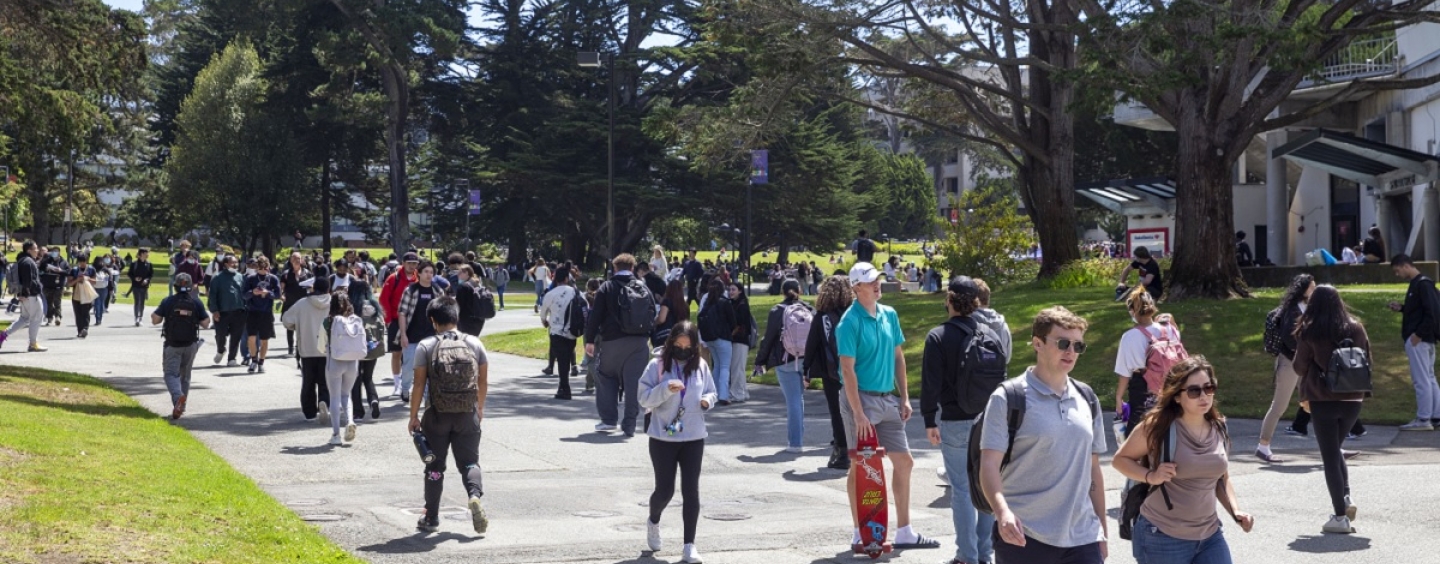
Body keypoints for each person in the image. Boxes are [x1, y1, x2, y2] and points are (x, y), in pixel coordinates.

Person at [979, 306, 1108, 564]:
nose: (1071, 352)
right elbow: (989, 464)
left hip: (1083, 536)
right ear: (1038, 343)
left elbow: (1093, 470)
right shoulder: (1008, 397)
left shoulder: (1087, 398)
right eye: (1062, 343)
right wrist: (1001, 511)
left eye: (1078, 346)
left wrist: (1101, 529)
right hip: (1024, 535)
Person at [836, 262, 938, 549]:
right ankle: (860, 531)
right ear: (856, 288)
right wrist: (857, 412)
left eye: (878, 279)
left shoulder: (889, 314)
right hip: (861, 400)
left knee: (904, 461)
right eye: (870, 281)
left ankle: (904, 530)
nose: (877, 284)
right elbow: (847, 371)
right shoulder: (849, 322)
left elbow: (898, 357)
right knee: (861, 465)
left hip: (887, 399)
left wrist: (904, 396)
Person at [1112, 356, 1253, 563]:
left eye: (1209, 388)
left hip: (1209, 534)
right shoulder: (1157, 426)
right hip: (1161, 535)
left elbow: (1221, 479)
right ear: (1177, 396)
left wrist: (1235, 510)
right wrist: (1151, 476)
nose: (1204, 396)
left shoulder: (1219, 427)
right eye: (1194, 391)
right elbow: (1120, 460)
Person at [922, 276, 1004, 564]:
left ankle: (966, 556)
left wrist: (929, 420)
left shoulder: (938, 336)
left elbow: (930, 384)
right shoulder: (990, 335)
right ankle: (984, 554)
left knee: (961, 490)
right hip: (990, 422)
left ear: (949, 300)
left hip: (955, 420)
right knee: (986, 487)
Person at [408, 295, 490, 536]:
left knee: (434, 466)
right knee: (470, 463)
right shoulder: (474, 343)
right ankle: (474, 496)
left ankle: (431, 517)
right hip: (467, 413)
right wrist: (479, 408)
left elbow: (419, 383)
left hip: (437, 415)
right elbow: (483, 380)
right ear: (456, 316)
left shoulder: (426, 345)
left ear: (433, 320)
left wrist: (414, 416)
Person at [638, 321, 716, 563]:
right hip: (663, 437)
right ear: (671, 343)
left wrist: (706, 401)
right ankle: (653, 519)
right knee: (665, 490)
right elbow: (643, 399)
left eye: (688, 346)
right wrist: (665, 389)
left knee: (691, 490)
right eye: (678, 345)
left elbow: (712, 391)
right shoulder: (657, 365)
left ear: (694, 347)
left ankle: (689, 545)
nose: (683, 350)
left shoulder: (700, 365)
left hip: (693, 436)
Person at [1292, 285, 1367, 533]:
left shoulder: (1311, 330)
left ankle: (1339, 516)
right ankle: (1345, 498)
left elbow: (1299, 367)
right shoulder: (1356, 326)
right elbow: (1368, 359)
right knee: (1335, 449)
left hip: (1323, 398)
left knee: (1330, 455)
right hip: (1353, 398)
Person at [584, 253, 657, 437]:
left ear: (615, 268)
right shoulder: (643, 287)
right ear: (632, 268)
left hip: (612, 341)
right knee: (634, 383)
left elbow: (595, 315)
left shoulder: (607, 287)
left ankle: (609, 420)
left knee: (606, 376)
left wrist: (590, 340)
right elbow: (652, 313)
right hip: (640, 342)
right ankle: (630, 424)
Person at [1256, 274, 1313, 462]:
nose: (1315, 289)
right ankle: (1263, 446)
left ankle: (1334, 447)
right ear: (1303, 289)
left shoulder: (1308, 307)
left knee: (1316, 403)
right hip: (1290, 363)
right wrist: (1304, 350)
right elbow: (1290, 338)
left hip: (1303, 362)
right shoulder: (1292, 310)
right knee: (1279, 406)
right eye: (1312, 286)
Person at [1114, 285, 1182, 434]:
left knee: (1139, 429)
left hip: (1143, 386)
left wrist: (1119, 397)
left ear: (1132, 311)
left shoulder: (1130, 337)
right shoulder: (1169, 329)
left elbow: (1125, 372)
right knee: (1167, 425)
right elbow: (1177, 341)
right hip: (1170, 383)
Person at [755, 279, 812, 451]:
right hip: (805, 360)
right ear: (799, 290)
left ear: (782, 292)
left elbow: (769, 338)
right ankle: (798, 438)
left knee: (793, 400)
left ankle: (795, 443)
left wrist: (760, 360)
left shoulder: (777, 311)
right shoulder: (809, 309)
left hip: (785, 360)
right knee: (799, 399)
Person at [804, 275, 853, 470]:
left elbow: (812, 345)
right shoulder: (854, 314)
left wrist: (806, 370)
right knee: (856, 410)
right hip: (857, 370)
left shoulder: (822, 316)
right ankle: (858, 447)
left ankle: (842, 451)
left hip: (831, 371)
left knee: (837, 412)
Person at [151, 273, 211, 420]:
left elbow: (155, 320)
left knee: (171, 374)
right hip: (190, 345)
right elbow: (206, 323)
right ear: (191, 287)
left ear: (175, 286)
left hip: (172, 345)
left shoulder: (168, 301)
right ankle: (181, 407)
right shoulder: (196, 302)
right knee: (185, 377)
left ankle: (178, 398)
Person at [1390, 254, 1440, 431]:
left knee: (1421, 379)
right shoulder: (1421, 284)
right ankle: (1435, 415)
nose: (1397, 274)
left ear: (1405, 266)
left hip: (1419, 339)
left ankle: (1423, 418)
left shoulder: (1422, 284)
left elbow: (1432, 313)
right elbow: (1423, 310)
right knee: (1429, 377)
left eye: (1397, 270)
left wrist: (1418, 334)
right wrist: (1403, 308)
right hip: (1425, 338)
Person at [282, 276, 334, 422]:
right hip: (327, 349)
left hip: (307, 349)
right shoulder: (333, 303)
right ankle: (324, 402)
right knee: (326, 381)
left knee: (308, 382)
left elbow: (286, 320)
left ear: (313, 287)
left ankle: (309, 412)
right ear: (328, 289)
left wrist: (297, 325)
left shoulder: (302, 304)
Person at [398, 260, 448, 405]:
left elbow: (443, 313)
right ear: (418, 273)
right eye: (425, 272)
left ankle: (427, 397)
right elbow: (402, 313)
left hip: (432, 337)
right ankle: (405, 388)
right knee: (408, 366)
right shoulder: (411, 290)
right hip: (412, 335)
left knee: (428, 369)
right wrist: (403, 334)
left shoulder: (438, 291)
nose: (428, 275)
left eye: (431, 272)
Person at [324, 292, 364, 446]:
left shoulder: (328, 321)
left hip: (334, 360)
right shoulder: (355, 320)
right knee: (346, 394)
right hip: (353, 361)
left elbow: (321, 344)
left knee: (334, 396)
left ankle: (335, 434)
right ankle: (350, 420)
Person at [380, 253, 421, 398]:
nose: (412, 266)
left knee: (414, 354)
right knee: (397, 353)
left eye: (415, 263)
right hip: (396, 320)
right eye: (409, 263)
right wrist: (389, 320)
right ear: (403, 263)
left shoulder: (420, 279)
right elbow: (383, 300)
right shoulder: (393, 278)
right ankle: (397, 384)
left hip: (415, 322)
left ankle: (408, 383)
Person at [540, 266, 580, 400]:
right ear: (567, 279)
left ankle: (565, 389)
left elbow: (543, 313)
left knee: (562, 360)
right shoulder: (574, 292)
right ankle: (562, 387)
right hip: (572, 330)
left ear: (554, 279)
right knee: (566, 359)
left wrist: (545, 322)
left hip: (557, 331)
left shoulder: (550, 294)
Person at [0, 242, 47, 352]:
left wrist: (22, 294)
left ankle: (3, 334)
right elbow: (28, 280)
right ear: (29, 250)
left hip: (25, 295)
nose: (37, 251)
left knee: (24, 318)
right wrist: (25, 293)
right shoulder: (28, 262)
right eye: (35, 249)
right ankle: (33, 344)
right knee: (36, 318)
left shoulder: (22, 260)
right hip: (31, 295)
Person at [696, 279, 737, 405]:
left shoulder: (707, 303)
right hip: (723, 338)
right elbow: (733, 322)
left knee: (717, 366)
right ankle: (723, 395)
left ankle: (714, 393)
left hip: (709, 339)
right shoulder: (725, 302)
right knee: (725, 366)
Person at [351, 283, 386, 421]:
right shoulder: (375, 308)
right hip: (373, 347)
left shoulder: (353, 308)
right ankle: (373, 400)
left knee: (356, 379)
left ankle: (358, 411)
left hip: (356, 348)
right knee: (368, 377)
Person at [242, 257, 280, 373]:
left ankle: (261, 362)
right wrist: (253, 292)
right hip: (252, 311)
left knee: (264, 339)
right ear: (257, 267)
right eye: (261, 267)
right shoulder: (250, 278)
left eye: (265, 267)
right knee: (251, 338)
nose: (263, 270)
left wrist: (268, 293)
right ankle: (253, 360)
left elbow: (278, 294)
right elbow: (243, 295)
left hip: (266, 312)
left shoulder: (273, 278)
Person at [208, 255, 247, 367]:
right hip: (222, 312)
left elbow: (245, 293)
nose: (235, 265)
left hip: (239, 312)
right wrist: (214, 310)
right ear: (225, 264)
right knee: (220, 334)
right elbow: (212, 296)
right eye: (232, 263)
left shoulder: (241, 277)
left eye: (236, 263)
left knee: (236, 336)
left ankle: (232, 359)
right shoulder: (217, 278)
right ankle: (221, 349)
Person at [279, 251, 312, 358]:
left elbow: (313, 287)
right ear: (290, 260)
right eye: (293, 258)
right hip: (290, 304)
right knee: (290, 327)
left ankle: (300, 348)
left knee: (302, 327)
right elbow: (281, 288)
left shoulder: (308, 273)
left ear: (301, 260)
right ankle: (290, 349)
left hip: (304, 304)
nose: (296, 260)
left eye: (298, 258)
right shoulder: (286, 274)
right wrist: (281, 296)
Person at [726, 282, 754, 404]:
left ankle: (736, 393)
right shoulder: (735, 304)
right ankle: (742, 391)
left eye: (733, 289)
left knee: (736, 368)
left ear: (740, 291)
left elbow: (742, 325)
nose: (731, 292)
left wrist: (731, 334)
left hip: (740, 340)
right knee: (739, 367)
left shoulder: (741, 306)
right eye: (730, 289)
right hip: (739, 340)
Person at [454, 265, 493, 337]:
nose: (458, 275)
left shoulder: (463, 287)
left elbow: (459, 305)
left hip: (466, 320)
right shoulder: (478, 285)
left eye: (460, 273)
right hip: (479, 319)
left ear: (467, 273)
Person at [67, 255, 97, 339]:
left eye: (83, 262)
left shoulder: (91, 269)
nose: (82, 264)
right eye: (80, 262)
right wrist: (77, 279)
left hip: (87, 293)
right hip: (77, 294)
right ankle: (79, 330)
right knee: (78, 313)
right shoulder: (74, 270)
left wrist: (87, 278)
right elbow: (69, 283)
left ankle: (85, 328)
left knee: (85, 312)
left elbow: (95, 282)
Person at [39, 246, 69, 326]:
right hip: (47, 285)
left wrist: (61, 271)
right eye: (53, 251)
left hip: (58, 285)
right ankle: (49, 317)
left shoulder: (64, 262)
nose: (54, 253)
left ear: (59, 252)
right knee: (49, 303)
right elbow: (40, 269)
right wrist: (45, 267)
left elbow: (68, 272)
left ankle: (58, 317)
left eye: (56, 251)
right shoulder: (47, 260)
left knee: (57, 302)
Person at [653, 278, 688, 347]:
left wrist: (654, 323)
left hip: (666, 335)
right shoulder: (685, 305)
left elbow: (661, 319)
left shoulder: (667, 302)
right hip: (680, 334)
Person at [129, 248, 155, 327]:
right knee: (137, 301)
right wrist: (135, 278)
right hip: (135, 286)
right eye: (146, 253)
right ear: (141, 254)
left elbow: (150, 274)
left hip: (144, 286)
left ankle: (140, 318)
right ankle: (136, 317)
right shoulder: (134, 264)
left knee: (142, 302)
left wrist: (147, 280)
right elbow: (129, 273)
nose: (148, 255)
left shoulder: (149, 264)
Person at [91, 253, 116, 325]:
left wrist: (111, 289)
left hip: (102, 288)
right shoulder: (94, 269)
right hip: (97, 288)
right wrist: (111, 289)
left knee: (100, 303)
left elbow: (110, 279)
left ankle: (99, 318)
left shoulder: (104, 269)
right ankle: (98, 318)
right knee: (98, 303)